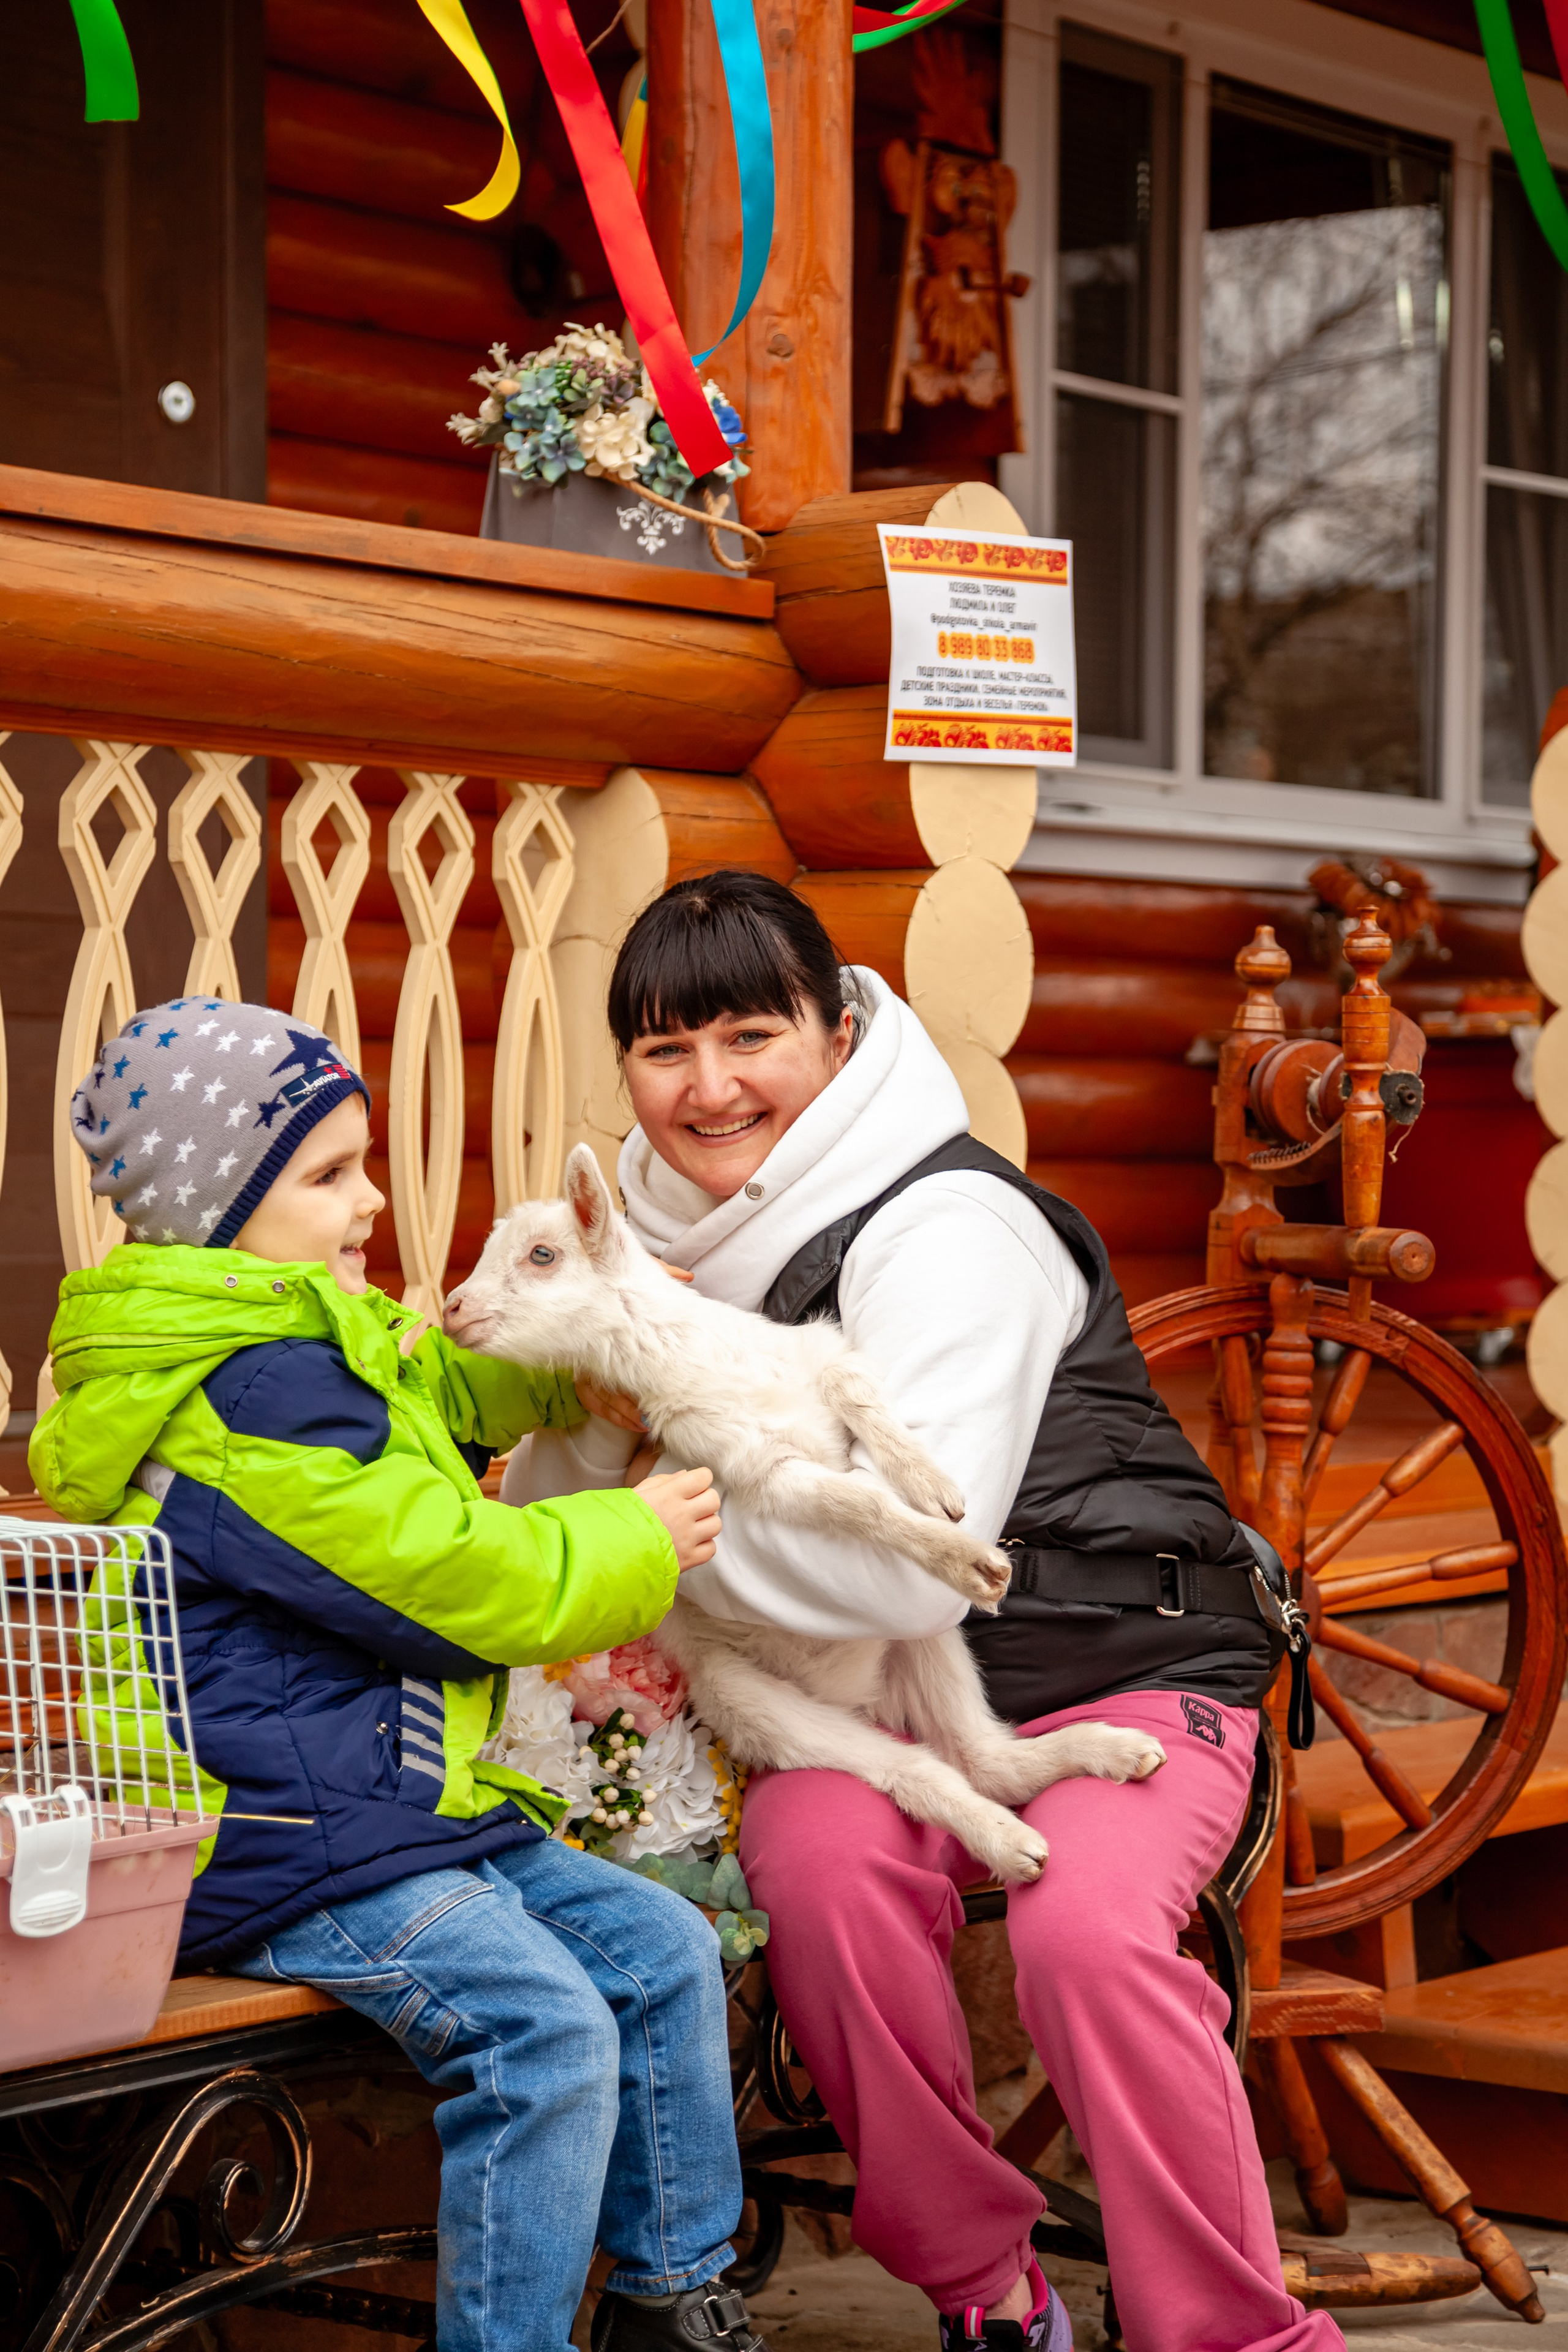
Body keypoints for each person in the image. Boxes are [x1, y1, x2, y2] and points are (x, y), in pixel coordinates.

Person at [568, 871, 1341, 2352]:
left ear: (840, 1029)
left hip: (1123, 1664)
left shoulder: (949, 1226)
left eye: (751, 1036)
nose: (709, 1087)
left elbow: (908, 1562)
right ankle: (989, 2298)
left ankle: (1235, 2337)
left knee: (1086, 1936)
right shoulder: (645, 1251)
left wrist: (633, 1542)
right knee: (818, 1876)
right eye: (666, 1051)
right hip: (893, 1698)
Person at [33, 997, 769, 2352]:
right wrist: (632, 1534)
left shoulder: (298, 1341)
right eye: (327, 1174)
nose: (370, 1200)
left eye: (361, 1161)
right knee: (542, 2030)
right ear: (216, 1210)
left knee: (660, 1948)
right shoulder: (240, 1400)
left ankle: (673, 2300)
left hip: (384, 1811)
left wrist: (567, 1377)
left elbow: (428, 1396)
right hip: (277, 1836)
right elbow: (439, 1578)